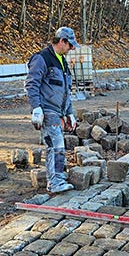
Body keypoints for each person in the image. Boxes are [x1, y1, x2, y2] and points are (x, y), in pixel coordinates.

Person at [25, 27, 79, 193]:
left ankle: (57, 178)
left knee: (56, 146)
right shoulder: (42, 59)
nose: (72, 48)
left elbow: (65, 91)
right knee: (56, 146)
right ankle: (55, 182)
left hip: (59, 111)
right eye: (70, 45)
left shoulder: (62, 62)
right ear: (62, 41)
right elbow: (31, 84)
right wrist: (36, 108)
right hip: (47, 110)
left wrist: (70, 112)